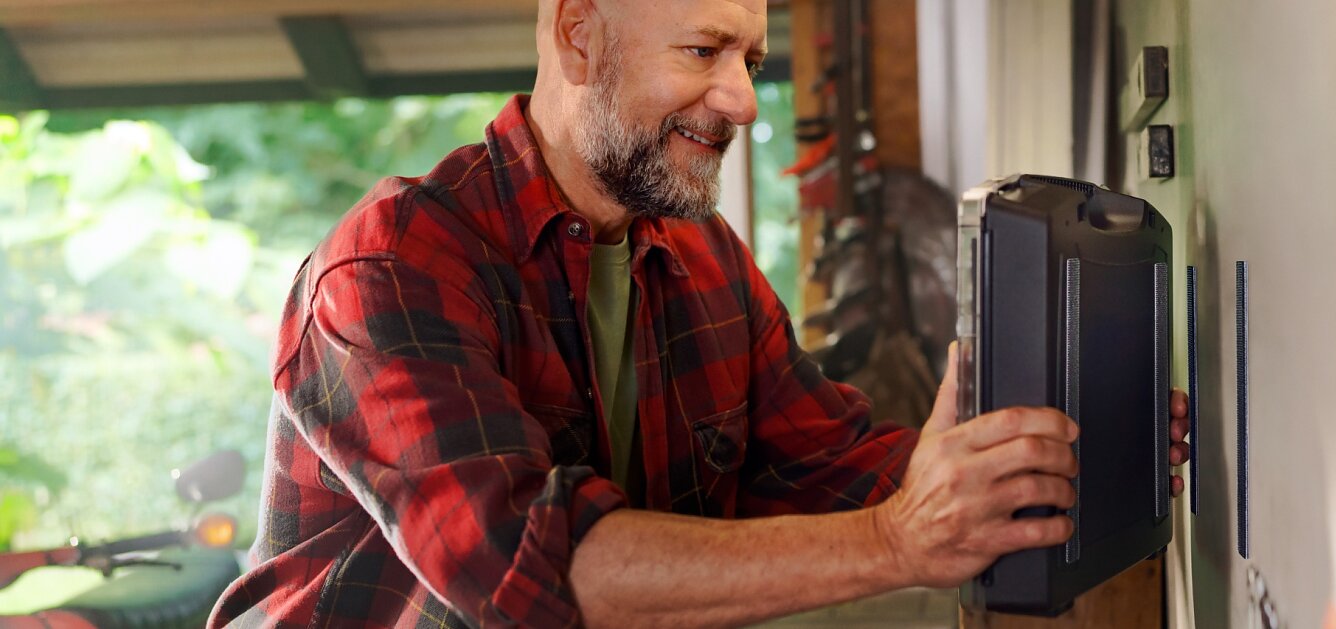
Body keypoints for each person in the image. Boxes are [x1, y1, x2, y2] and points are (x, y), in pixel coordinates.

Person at [208, 0, 1191, 626]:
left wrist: (1052, 443)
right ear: (578, 34)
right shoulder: (391, 264)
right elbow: (525, 574)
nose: (745, 98)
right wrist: (899, 538)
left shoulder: (699, 254)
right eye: (704, 50)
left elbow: (838, 461)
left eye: (752, 55)